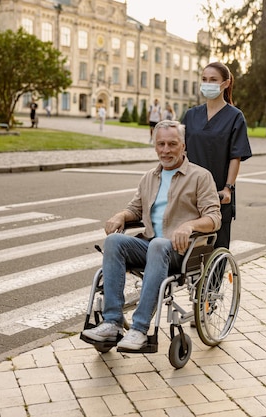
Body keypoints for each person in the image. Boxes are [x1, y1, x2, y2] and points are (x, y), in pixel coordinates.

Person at [81, 120, 221, 350]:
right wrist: (121, 216)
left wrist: (190, 225)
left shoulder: (200, 177)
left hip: (181, 251)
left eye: (172, 144)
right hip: (150, 246)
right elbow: (135, 210)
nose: (166, 150)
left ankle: (139, 329)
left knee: (158, 244)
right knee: (114, 240)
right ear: (155, 146)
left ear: (183, 146)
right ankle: (112, 323)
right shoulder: (149, 177)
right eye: (161, 144)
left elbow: (214, 218)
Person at [181, 62, 252, 249]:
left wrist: (228, 188)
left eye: (213, 80)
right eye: (204, 79)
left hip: (218, 193)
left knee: (216, 248)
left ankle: (214, 279)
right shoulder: (191, 115)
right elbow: (181, 151)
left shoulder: (235, 117)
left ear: (226, 83)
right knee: (186, 251)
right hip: (189, 191)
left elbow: (235, 156)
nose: (207, 84)